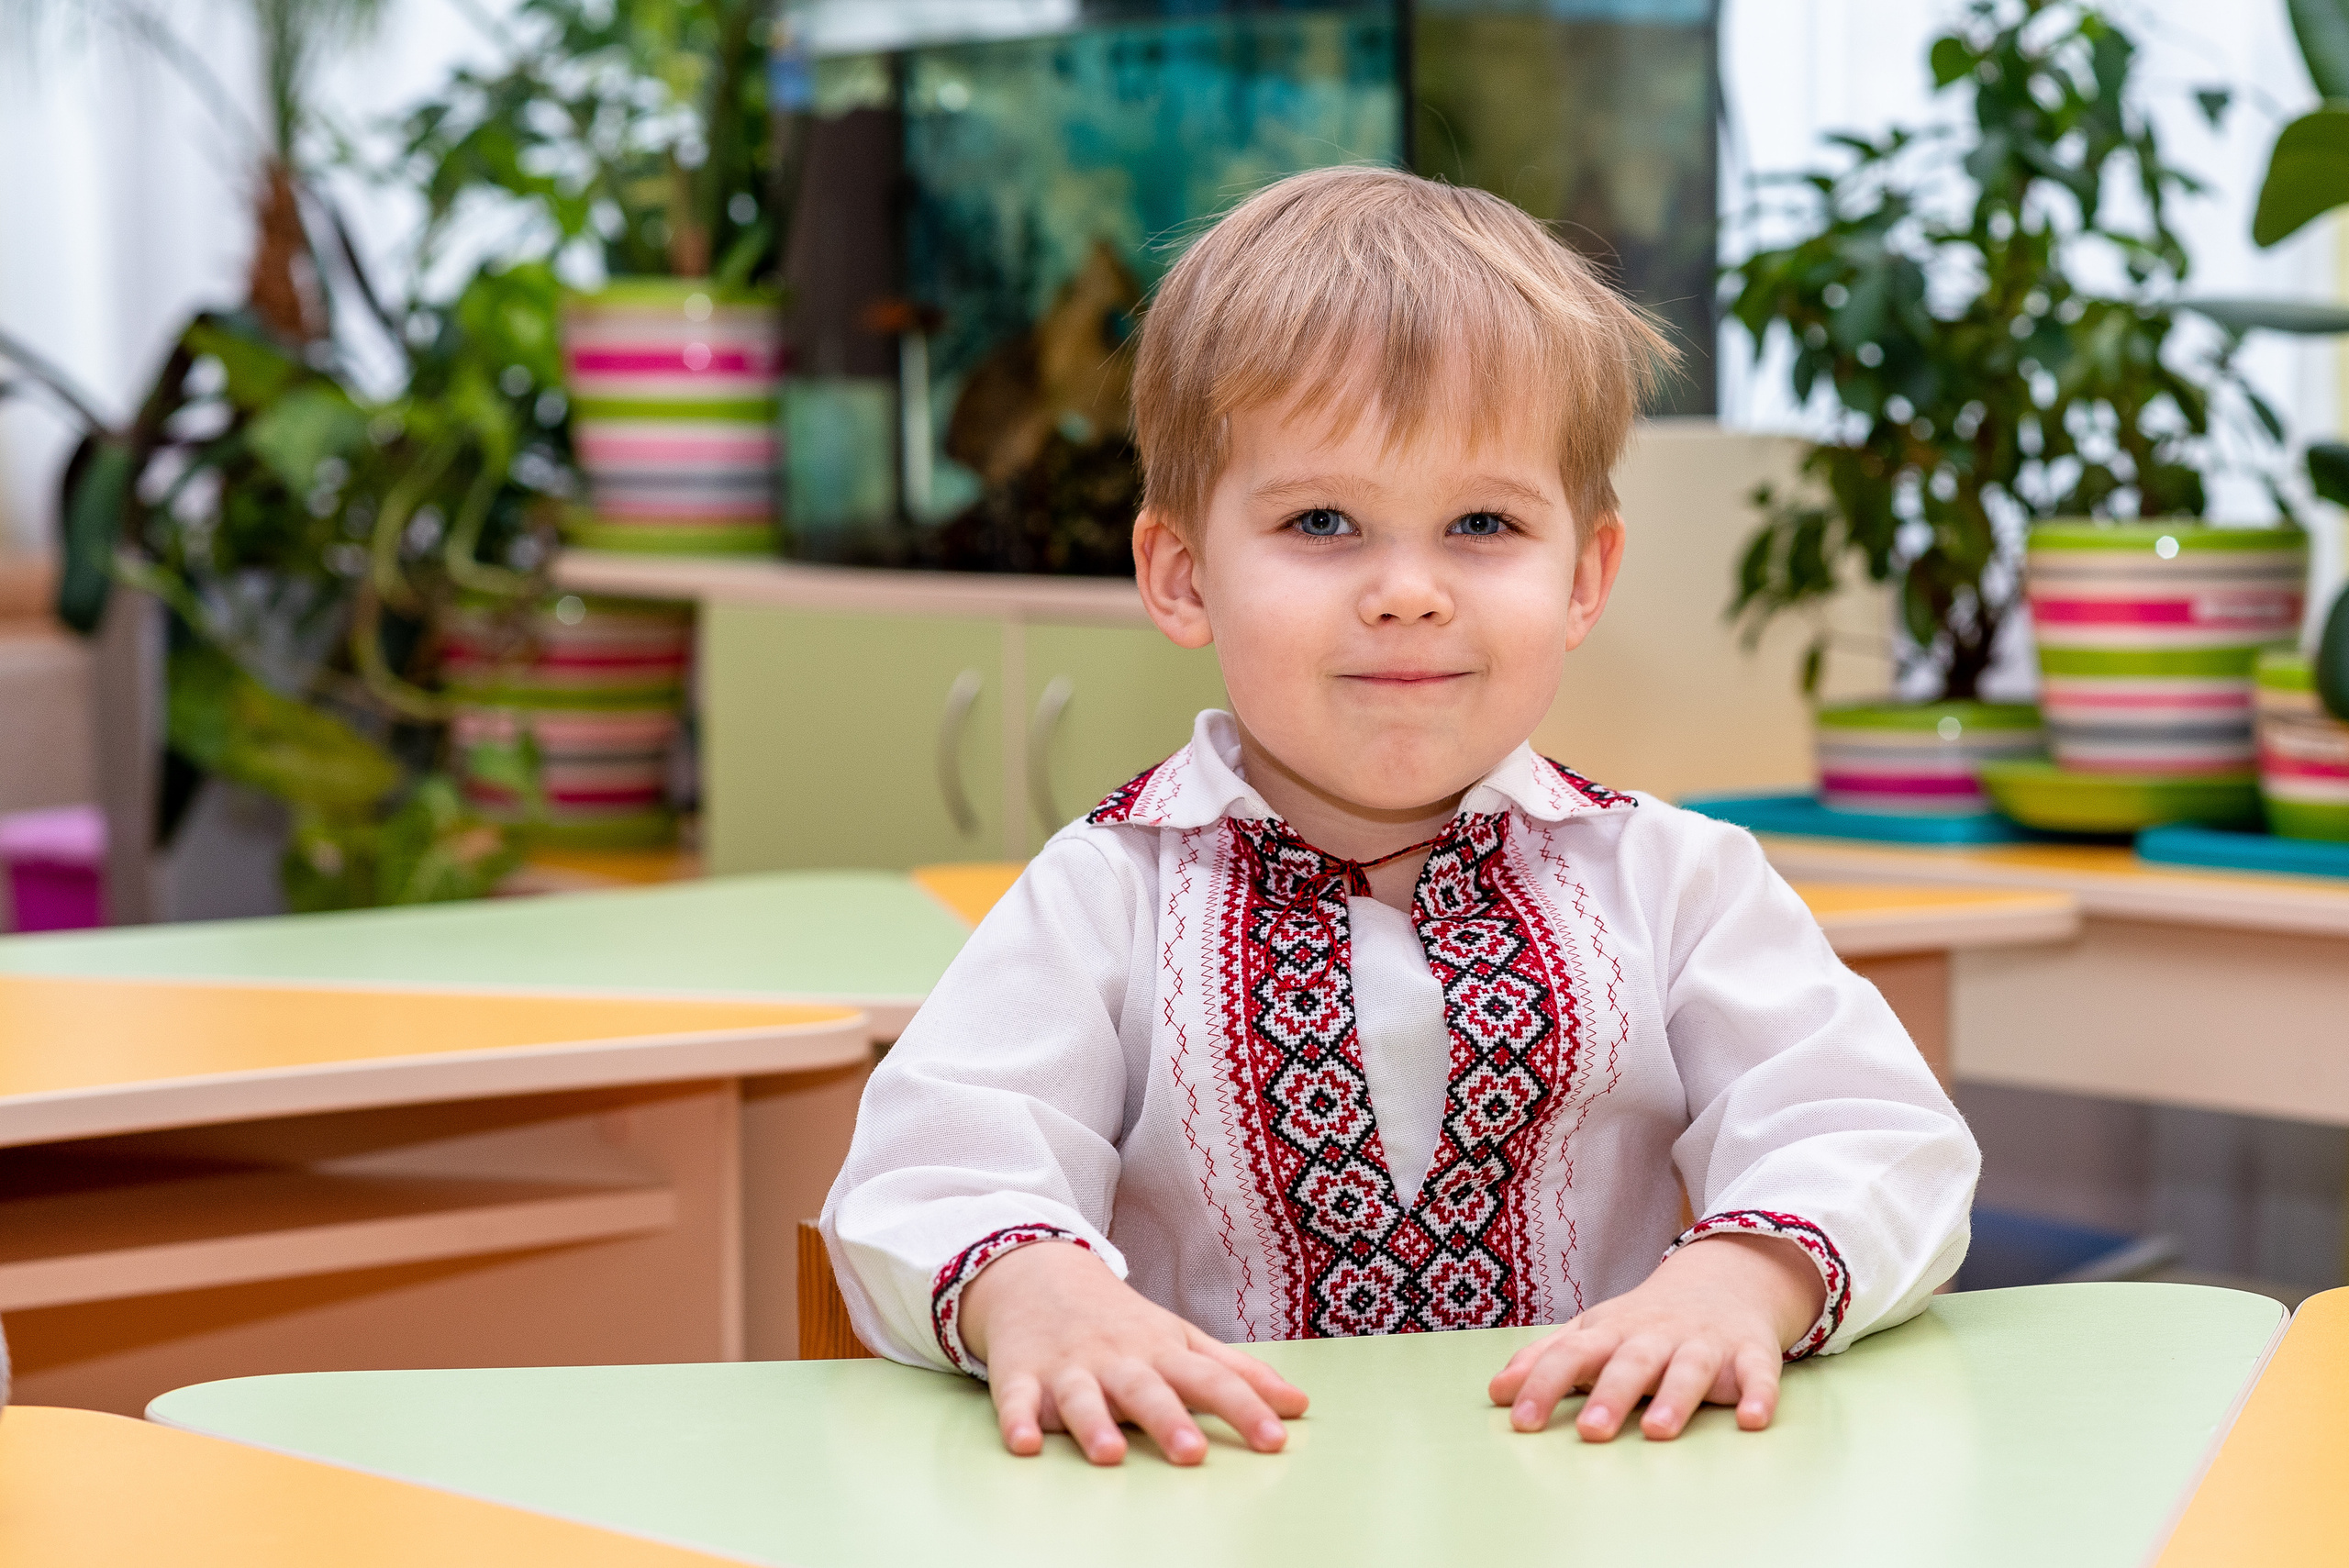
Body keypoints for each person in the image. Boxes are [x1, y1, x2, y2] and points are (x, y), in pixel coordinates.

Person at [820, 165, 1978, 1467]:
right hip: (1199, 1511)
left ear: (1585, 574)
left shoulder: (1675, 881)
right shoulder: (1107, 890)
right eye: (1323, 520)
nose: (1409, 591)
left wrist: (1745, 1278)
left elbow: (1874, 1134)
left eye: (1483, 522)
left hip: (1598, 1510)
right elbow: (929, 1169)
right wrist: (1034, 1292)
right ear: (1183, 570)